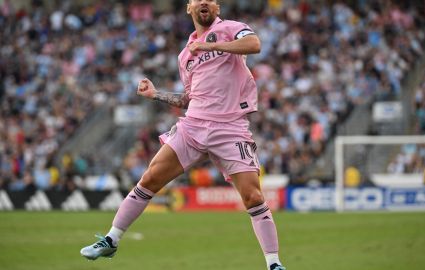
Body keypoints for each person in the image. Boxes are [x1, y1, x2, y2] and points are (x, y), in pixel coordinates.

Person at [80, 1, 286, 269]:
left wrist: (210, 45)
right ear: (189, 7)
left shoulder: (232, 29)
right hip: (194, 125)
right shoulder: (185, 56)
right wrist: (155, 94)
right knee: (150, 177)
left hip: (231, 126)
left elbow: (255, 45)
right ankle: (111, 239)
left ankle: (273, 264)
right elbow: (189, 99)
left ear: (216, 6)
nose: (203, 2)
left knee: (254, 197)